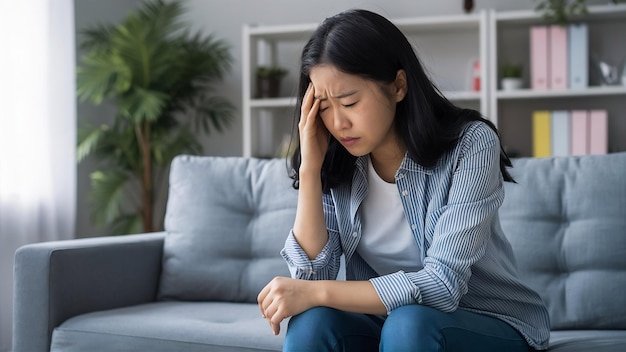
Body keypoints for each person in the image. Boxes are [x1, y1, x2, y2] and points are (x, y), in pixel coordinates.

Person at [257, 8, 550, 352]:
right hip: (393, 323)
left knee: (410, 322)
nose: (337, 123)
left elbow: (442, 286)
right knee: (312, 323)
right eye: (323, 107)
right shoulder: (338, 161)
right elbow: (311, 278)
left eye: (349, 102)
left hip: (486, 320)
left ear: (398, 85)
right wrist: (310, 169)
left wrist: (316, 292)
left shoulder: (471, 145)